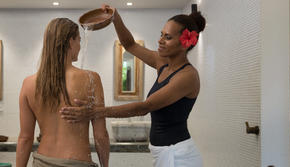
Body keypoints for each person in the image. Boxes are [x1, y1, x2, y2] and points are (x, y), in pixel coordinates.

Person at [60, 4, 206, 167]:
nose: (160, 40)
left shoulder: (187, 77)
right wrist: (115, 17)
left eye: (168, 37)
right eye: (161, 34)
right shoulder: (163, 63)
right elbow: (130, 45)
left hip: (178, 155)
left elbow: (144, 107)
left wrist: (94, 112)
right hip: (165, 152)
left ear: (184, 43)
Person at [16, 18, 110, 167]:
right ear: (70, 42)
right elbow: (100, 135)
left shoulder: (28, 84)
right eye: (78, 40)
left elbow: (25, 138)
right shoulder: (92, 79)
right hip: (78, 162)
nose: (79, 46)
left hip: (42, 161)